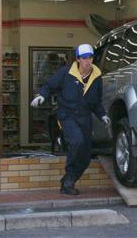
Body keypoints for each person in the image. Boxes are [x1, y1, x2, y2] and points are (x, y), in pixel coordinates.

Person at [30, 44, 110, 195]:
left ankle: (69, 179)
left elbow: (96, 102)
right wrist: (42, 96)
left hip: (85, 118)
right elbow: (49, 85)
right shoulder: (65, 73)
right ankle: (68, 182)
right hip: (67, 115)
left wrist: (102, 115)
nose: (88, 61)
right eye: (85, 58)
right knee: (77, 141)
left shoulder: (97, 77)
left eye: (90, 57)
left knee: (86, 155)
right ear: (78, 59)